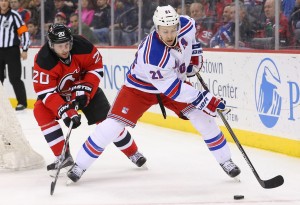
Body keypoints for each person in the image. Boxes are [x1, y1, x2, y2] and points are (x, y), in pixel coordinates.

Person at [67, 5, 241, 183]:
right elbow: (174, 90)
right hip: (140, 89)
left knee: (203, 118)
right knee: (112, 125)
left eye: (173, 30)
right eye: (165, 31)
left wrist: (195, 55)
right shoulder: (153, 54)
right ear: (157, 29)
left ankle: (226, 160)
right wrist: (205, 99)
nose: (170, 35)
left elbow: (192, 38)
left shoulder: (187, 24)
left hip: (171, 82)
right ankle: (80, 165)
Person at [32, 23, 147, 175]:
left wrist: (85, 90)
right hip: (61, 96)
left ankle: (133, 152)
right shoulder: (43, 60)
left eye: (67, 44)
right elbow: (46, 93)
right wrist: (66, 111)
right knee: (40, 110)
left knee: (108, 123)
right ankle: (62, 156)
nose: (65, 49)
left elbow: (96, 68)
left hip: (86, 90)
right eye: (60, 46)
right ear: (51, 45)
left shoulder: (82, 46)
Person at [0, 0, 28, 110]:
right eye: (1, 0)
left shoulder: (14, 15)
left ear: (9, 3)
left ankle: (22, 102)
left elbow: (24, 32)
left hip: (12, 50)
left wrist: (25, 49)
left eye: (6, 1)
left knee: (15, 78)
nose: (3, 3)